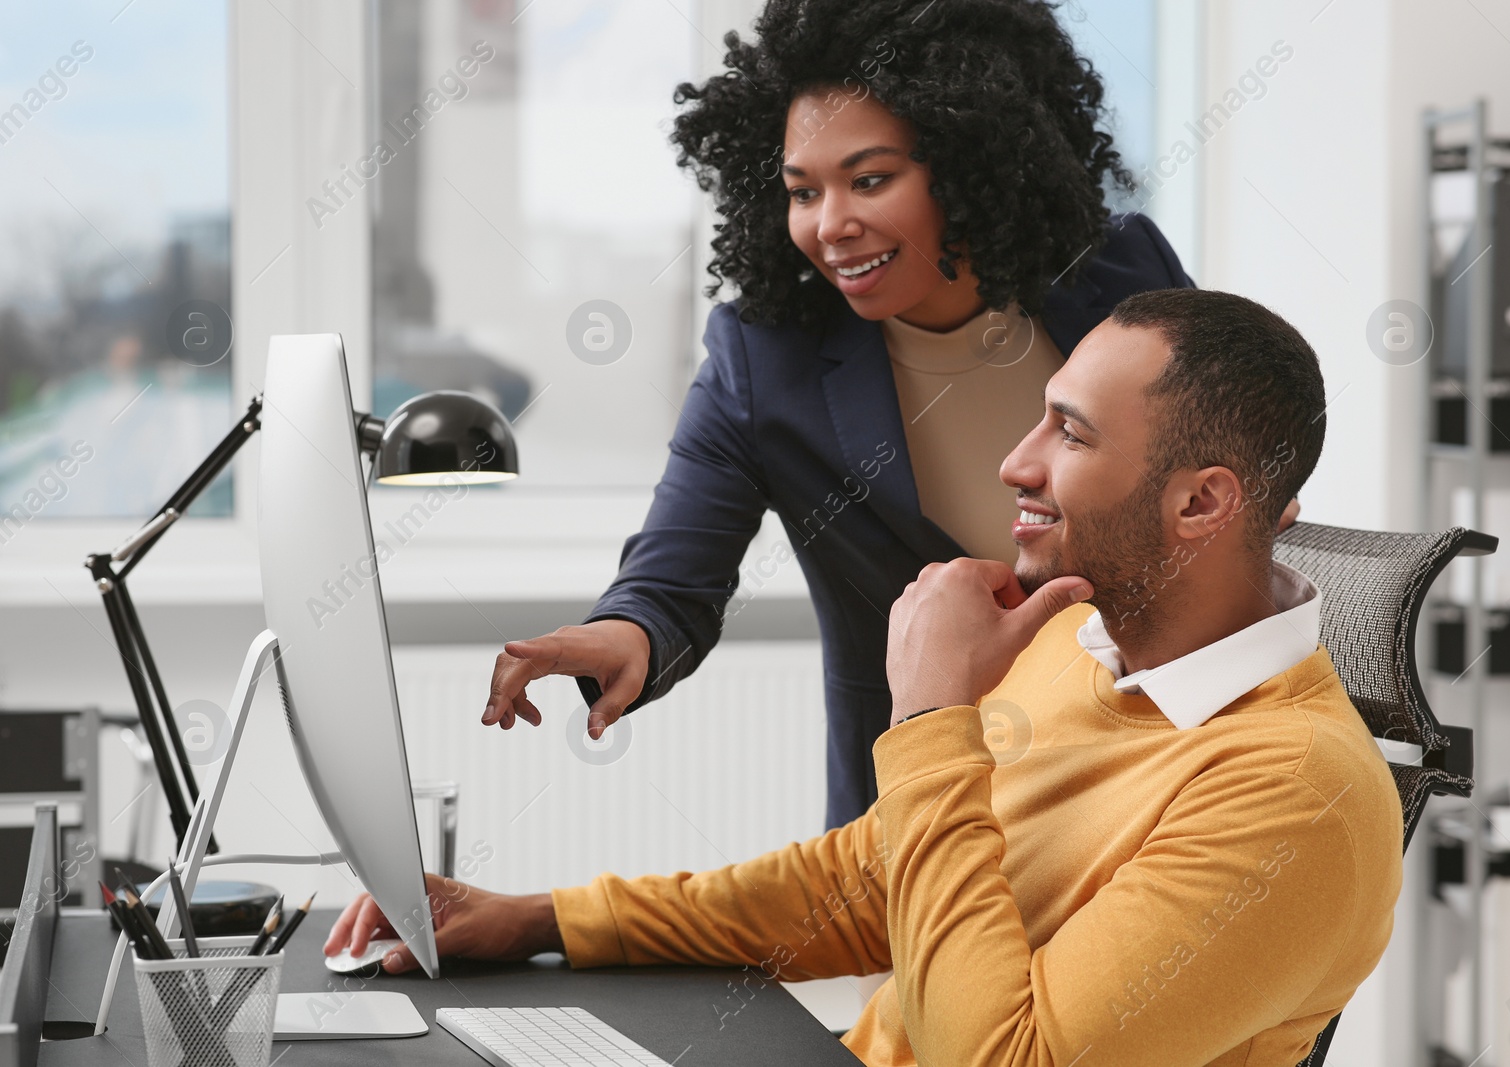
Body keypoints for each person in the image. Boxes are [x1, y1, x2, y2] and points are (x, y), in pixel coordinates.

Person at [331, 289, 1401, 1067]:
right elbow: (863, 882)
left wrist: (936, 715)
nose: (1015, 462)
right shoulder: (1080, 646)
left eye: (1067, 432)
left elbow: (1003, 1060)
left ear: (1201, 504)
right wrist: (539, 918)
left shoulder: (1294, 794)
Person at [479, 0, 1228, 829]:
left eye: (870, 180)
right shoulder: (767, 361)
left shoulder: (1118, 276)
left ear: (966, 161)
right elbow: (672, 579)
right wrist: (625, 635)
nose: (830, 225)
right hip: (927, 807)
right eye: (803, 192)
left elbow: (1230, 496)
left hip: (1152, 775)